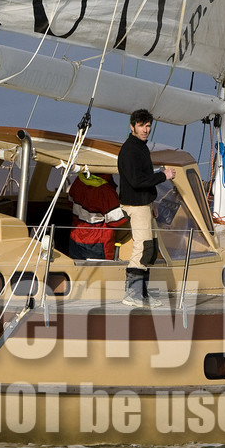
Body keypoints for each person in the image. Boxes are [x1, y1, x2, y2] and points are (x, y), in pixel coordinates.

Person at [118, 108, 174, 308]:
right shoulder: (130, 150)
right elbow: (137, 181)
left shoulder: (140, 147)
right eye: (141, 125)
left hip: (144, 204)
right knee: (142, 248)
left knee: (149, 249)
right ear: (132, 126)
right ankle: (132, 294)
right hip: (136, 204)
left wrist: (152, 203)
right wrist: (163, 176)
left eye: (148, 125)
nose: (145, 129)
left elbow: (143, 180)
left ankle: (142, 294)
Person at [68, 169, 125, 259]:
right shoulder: (106, 191)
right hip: (97, 243)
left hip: (75, 238)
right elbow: (116, 221)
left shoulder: (78, 181)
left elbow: (70, 202)